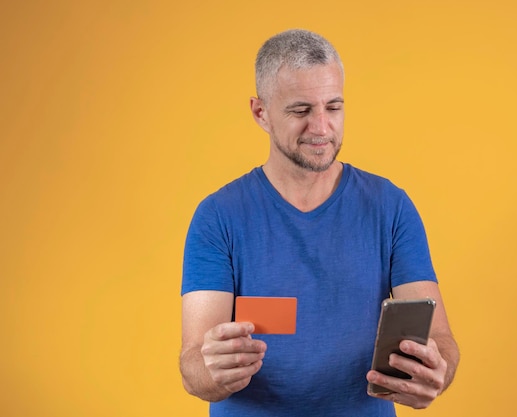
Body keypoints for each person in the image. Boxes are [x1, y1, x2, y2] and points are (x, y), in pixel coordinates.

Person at [179, 29, 459, 417]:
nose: (322, 127)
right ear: (261, 113)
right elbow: (194, 366)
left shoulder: (390, 206)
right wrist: (211, 371)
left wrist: (435, 369)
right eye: (301, 110)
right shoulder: (218, 217)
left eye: (333, 106)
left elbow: (440, 340)